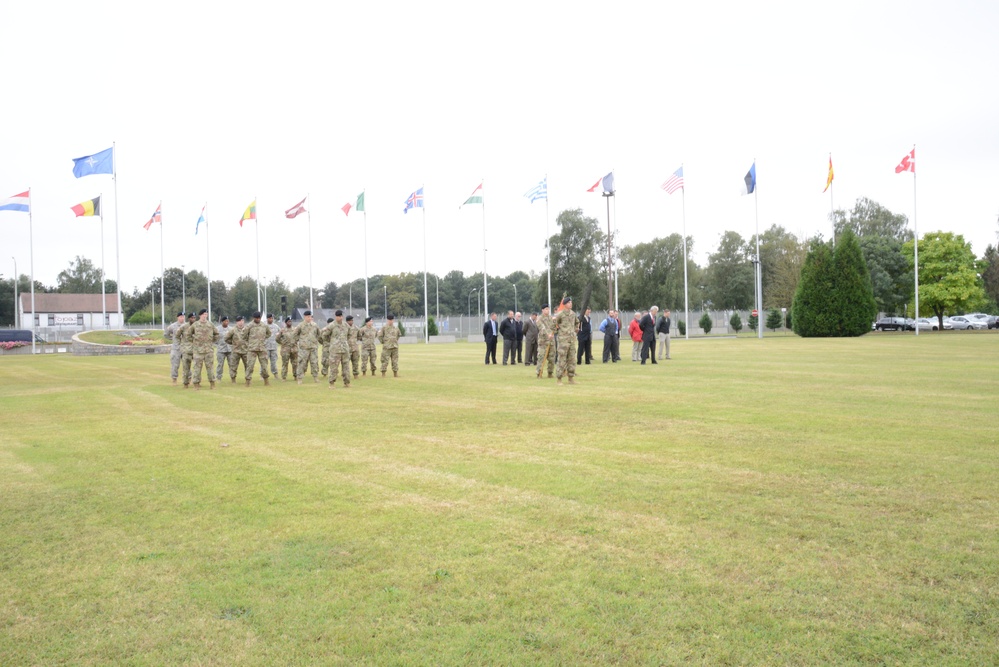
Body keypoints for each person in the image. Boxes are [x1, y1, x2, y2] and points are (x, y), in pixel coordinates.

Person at [190, 308, 220, 390]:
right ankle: (196, 384)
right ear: (200, 315)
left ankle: (212, 384)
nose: (204, 316)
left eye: (206, 314)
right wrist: (195, 342)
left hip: (208, 350)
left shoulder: (210, 324)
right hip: (198, 351)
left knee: (210, 368)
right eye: (203, 314)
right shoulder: (195, 325)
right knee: (197, 368)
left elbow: (217, 334)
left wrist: (211, 341)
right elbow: (189, 334)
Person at [553, 296, 579, 385]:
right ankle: (559, 379)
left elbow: (577, 322)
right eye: (569, 303)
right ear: (564, 304)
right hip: (563, 341)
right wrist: (558, 332)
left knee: (571, 359)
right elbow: (554, 323)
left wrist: (576, 329)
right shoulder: (560, 314)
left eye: (571, 302)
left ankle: (570, 378)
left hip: (571, 340)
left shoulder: (573, 314)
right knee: (561, 360)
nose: (570, 304)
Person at [325, 310, 352, 389]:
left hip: (344, 350)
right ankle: (332, 383)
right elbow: (324, 335)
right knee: (334, 368)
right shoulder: (331, 325)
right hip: (335, 350)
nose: (340, 317)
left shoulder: (346, 325)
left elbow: (349, 334)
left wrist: (345, 342)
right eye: (338, 316)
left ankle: (347, 382)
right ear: (335, 316)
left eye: (341, 316)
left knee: (346, 367)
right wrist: (332, 342)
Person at [245, 311, 272, 386]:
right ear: (254, 318)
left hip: (262, 348)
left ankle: (266, 381)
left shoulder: (264, 325)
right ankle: (248, 381)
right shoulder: (249, 326)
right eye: (256, 318)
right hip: (252, 349)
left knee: (264, 366)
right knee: (250, 365)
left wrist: (262, 339)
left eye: (259, 318)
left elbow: (269, 333)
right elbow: (244, 335)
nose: (258, 319)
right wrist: (251, 342)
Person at [296, 310, 321, 383]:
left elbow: (319, 334)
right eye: (308, 317)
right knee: (302, 363)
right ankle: (300, 378)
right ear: (305, 317)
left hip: (313, 347)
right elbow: (295, 334)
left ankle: (315, 377)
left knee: (314, 362)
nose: (309, 318)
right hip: (304, 348)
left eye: (310, 316)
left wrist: (316, 341)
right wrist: (300, 342)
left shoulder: (315, 325)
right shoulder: (300, 325)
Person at [224, 315, 249, 383]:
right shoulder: (233, 330)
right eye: (239, 321)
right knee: (233, 366)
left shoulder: (247, 329)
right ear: (237, 322)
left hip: (245, 350)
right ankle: (233, 379)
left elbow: (250, 338)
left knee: (248, 366)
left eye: (242, 321)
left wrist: (247, 344)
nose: (241, 322)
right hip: (236, 351)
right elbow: (226, 338)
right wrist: (233, 343)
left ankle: (248, 379)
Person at [535, 305, 555, 378]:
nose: (547, 310)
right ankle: (539, 373)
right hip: (543, 341)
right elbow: (542, 328)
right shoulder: (539, 318)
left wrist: (555, 324)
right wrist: (548, 334)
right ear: (542, 310)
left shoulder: (551, 318)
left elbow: (554, 327)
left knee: (552, 358)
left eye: (548, 309)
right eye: (546, 309)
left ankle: (550, 373)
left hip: (551, 341)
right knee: (541, 358)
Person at [277, 316, 299, 381]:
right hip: (285, 350)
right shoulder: (282, 330)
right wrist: (282, 343)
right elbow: (277, 339)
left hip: (294, 349)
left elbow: (298, 337)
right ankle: (284, 377)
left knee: (295, 363)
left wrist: (295, 342)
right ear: (286, 323)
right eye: (288, 321)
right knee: (285, 364)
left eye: (291, 321)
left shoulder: (295, 330)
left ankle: (296, 376)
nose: (290, 322)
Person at [166, 311, 186, 384]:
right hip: (176, 348)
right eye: (181, 317)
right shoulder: (173, 326)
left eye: (183, 316)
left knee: (187, 364)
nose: (182, 318)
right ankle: (174, 379)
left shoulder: (187, 325)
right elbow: (166, 334)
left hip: (185, 348)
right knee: (175, 364)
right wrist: (173, 339)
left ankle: (187, 379)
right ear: (178, 317)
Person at [179, 312, 196, 388]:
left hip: (196, 349)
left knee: (197, 367)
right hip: (186, 350)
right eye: (192, 318)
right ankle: (185, 383)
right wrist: (182, 344)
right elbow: (177, 335)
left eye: (194, 318)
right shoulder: (184, 327)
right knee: (186, 368)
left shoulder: (197, 326)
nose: (193, 319)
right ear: (189, 318)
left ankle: (196, 382)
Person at [216, 316, 233, 381]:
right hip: (221, 350)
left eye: (227, 321)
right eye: (225, 321)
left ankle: (232, 377)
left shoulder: (231, 329)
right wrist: (218, 344)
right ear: (222, 321)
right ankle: (218, 378)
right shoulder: (217, 329)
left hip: (230, 350)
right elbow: (215, 338)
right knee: (220, 364)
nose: (227, 322)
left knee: (231, 364)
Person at [346, 315, 360, 379]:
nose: (351, 321)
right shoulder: (344, 328)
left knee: (355, 362)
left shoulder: (356, 328)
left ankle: (355, 374)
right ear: (347, 321)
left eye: (352, 320)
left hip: (355, 347)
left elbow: (359, 336)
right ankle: (346, 375)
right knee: (346, 362)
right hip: (347, 348)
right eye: (350, 320)